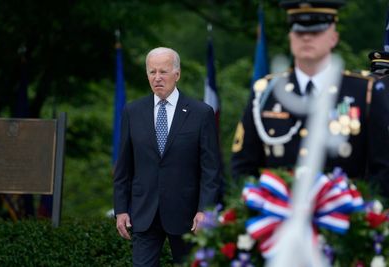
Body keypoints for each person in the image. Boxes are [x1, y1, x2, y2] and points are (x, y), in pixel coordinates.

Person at [231, 0, 389, 194]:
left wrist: (366, 214)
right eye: (299, 31)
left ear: (333, 37)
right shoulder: (266, 92)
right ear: (290, 37)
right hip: (277, 217)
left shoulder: (364, 91)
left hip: (345, 217)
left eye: (316, 32)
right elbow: (244, 166)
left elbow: (382, 168)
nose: (306, 38)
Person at [113, 47, 221, 266]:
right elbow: (124, 166)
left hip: (187, 216)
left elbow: (211, 170)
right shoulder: (132, 112)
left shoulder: (201, 113)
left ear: (177, 74)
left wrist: (204, 210)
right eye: (152, 72)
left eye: (163, 71)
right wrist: (121, 209)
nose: (157, 78)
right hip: (144, 213)